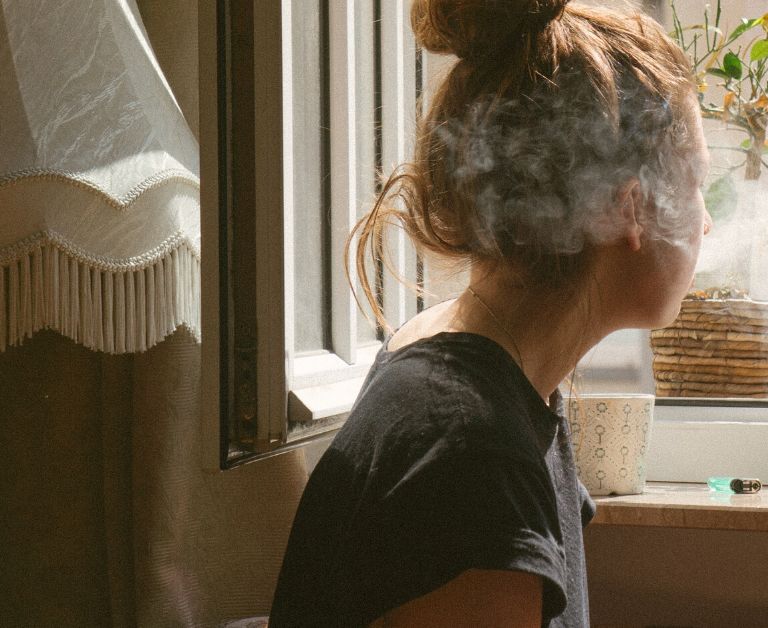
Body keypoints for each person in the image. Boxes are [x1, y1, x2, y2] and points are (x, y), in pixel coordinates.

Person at [270, 0, 711, 625]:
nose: (707, 219)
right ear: (628, 208)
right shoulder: (474, 462)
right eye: (697, 185)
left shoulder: (480, 376)